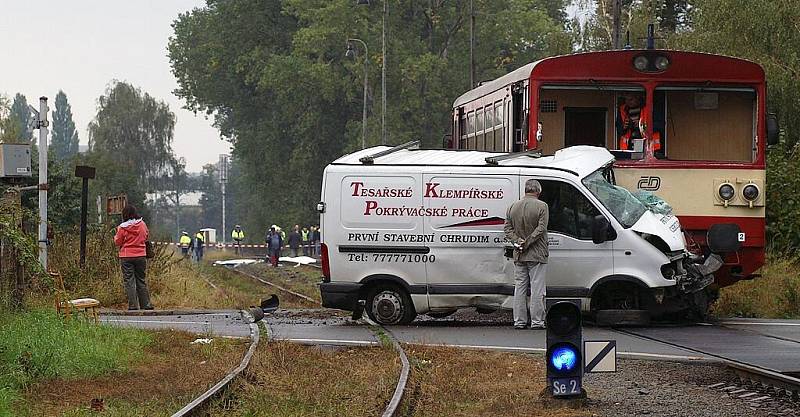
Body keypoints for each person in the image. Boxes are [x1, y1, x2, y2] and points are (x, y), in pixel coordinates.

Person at [504, 179, 549, 329]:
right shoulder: (542, 206)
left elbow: (507, 229)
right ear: (538, 191)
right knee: (537, 289)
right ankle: (537, 321)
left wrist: (518, 242)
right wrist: (528, 242)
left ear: (525, 190)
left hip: (519, 253)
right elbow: (541, 228)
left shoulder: (512, 207)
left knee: (520, 288)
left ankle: (519, 321)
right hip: (537, 254)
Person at [113, 204, 153, 311]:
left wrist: (116, 237)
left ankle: (133, 306)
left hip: (126, 256)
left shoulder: (122, 227)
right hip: (141, 255)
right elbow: (146, 236)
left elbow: (118, 241)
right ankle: (146, 304)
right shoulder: (142, 224)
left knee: (129, 281)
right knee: (141, 280)